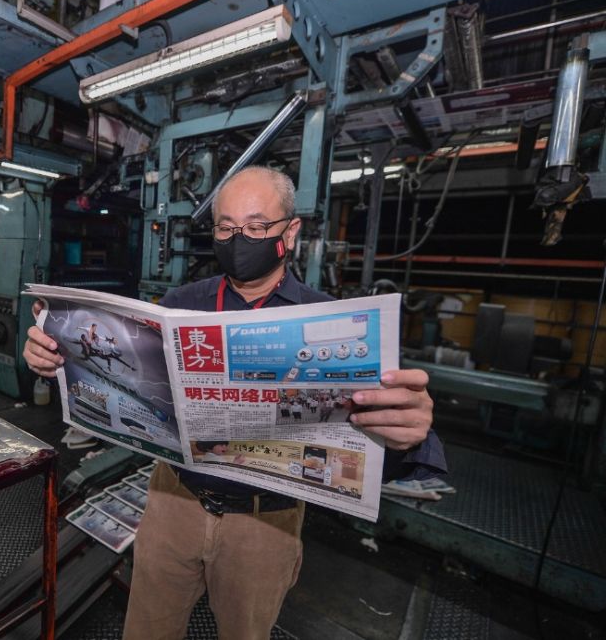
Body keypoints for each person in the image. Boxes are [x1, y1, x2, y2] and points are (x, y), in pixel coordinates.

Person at [23, 166, 445, 640]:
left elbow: (374, 440)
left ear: (291, 231)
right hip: (171, 500)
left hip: (265, 524)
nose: (239, 238)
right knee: (145, 629)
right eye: (225, 227)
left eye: (257, 227)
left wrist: (408, 436)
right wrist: (55, 356)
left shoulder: (333, 323)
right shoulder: (180, 305)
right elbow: (113, 372)